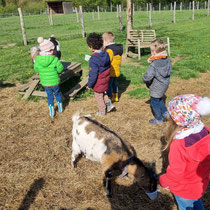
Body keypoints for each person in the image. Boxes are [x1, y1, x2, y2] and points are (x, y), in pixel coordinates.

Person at [159, 94, 210, 210]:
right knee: (196, 203)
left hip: (184, 190)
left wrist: (163, 181)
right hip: (200, 185)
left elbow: (175, 173)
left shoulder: (179, 144)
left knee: (186, 206)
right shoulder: (206, 133)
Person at [142, 39, 172, 124]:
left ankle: (158, 119)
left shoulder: (154, 64)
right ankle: (165, 114)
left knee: (154, 102)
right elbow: (169, 71)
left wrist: (144, 79)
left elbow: (148, 75)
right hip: (165, 85)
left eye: (151, 51)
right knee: (159, 99)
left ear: (154, 52)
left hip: (156, 87)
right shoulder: (167, 60)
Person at [34, 37, 64, 118]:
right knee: (57, 94)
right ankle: (60, 109)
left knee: (49, 96)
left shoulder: (37, 59)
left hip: (45, 82)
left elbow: (36, 68)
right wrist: (58, 72)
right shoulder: (55, 59)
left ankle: (51, 112)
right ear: (51, 50)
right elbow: (60, 69)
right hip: (55, 82)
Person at [86, 33, 115, 116]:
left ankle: (102, 111)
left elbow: (93, 75)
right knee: (103, 92)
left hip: (98, 81)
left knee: (99, 96)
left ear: (91, 47)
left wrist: (89, 85)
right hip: (105, 79)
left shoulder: (93, 59)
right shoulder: (105, 53)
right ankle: (109, 104)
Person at [102, 32, 123, 102]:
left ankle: (109, 97)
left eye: (103, 41)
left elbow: (107, 60)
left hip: (110, 71)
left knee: (108, 85)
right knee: (114, 84)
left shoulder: (109, 50)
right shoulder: (117, 48)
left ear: (106, 41)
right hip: (116, 70)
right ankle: (115, 97)